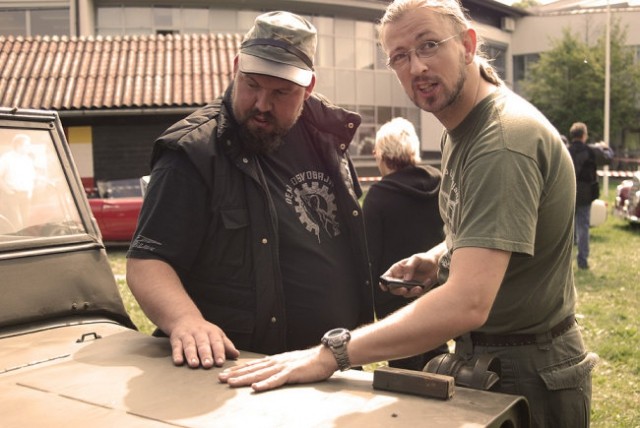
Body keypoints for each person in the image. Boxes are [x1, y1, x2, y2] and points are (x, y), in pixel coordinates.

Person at [219, 2, 598, 427]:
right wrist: (438, 258)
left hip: (527, 372)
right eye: (399, 56)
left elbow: (468, 303)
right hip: (495, 358)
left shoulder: (501, 142)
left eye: (429, 45)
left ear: (468, 44)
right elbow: (485, 226)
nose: (416, 67)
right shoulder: (463, 128)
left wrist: (331, 354)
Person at [126, 11, 373, 368]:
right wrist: (185, 321)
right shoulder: (192, 153)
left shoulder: (329, 138)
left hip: (333, 365)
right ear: (235, 67)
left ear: (308, 88)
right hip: (246, 371)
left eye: (281, 92)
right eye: (252, 84)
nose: (262, 104)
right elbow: (147, 261)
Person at [363, 117, 447, 370]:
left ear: (381, 155)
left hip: (396, 294)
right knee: (438, 357)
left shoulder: (378, 196)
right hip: (436, 289)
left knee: (404, 368)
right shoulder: (439, 182)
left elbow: (368, 253)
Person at [568, 122, 598, 270]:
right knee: (583, 226)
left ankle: (564, 262)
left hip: (568, 191)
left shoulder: (566, 151)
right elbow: (607, 157)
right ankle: (582, 260)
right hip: (585, 192)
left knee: (566, 228)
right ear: (584, 135)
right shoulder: (590, 152)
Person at [0, 133, 36, 231]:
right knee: (17, 223)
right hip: (12, 195)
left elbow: (31, 177)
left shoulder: (28, 160)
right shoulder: (6, 158)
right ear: (18, 145)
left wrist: (30, 192)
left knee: (25, 223)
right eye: (27, 145)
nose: (29, 147)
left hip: (25, 195)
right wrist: (8, 191)